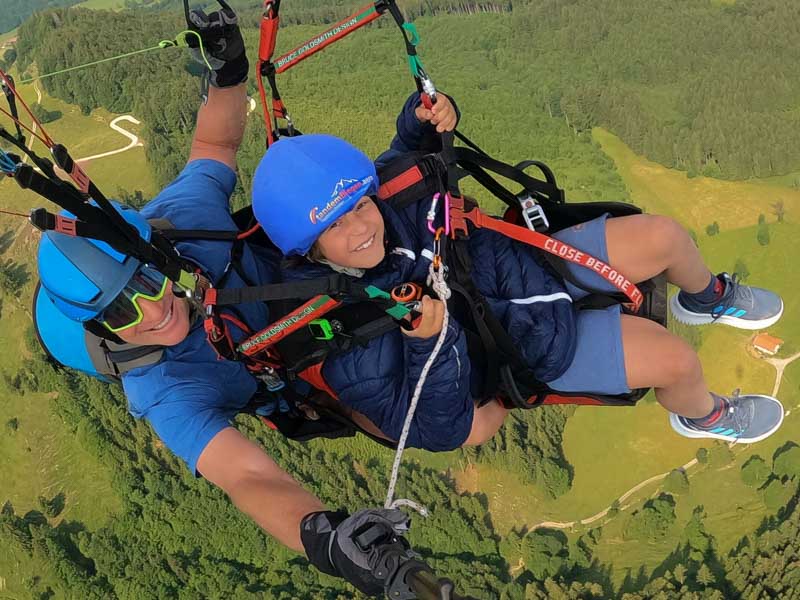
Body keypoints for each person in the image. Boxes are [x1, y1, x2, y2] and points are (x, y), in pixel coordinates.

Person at [34, 5, 422, 597]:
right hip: (301, 366)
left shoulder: (184, 220)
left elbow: (213, 144)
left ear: (159, 254)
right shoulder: (165, 390)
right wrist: (328, 540)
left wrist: (228, 71)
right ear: (103, 331)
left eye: (148, 281)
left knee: (410, 182)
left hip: (312, 264)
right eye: (121, 314)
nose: (154, 310)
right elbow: (245, 476)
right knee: (422, 422)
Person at [252, 91, 786, 451]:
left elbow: (407, 154)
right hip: (534, 345)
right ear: (308, 248)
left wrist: (424, 116)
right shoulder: (344, 340)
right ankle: (706, 415)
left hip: (529, 260)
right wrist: (427, 341)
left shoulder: (388, 198)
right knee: (676, 361)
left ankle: (706, 297)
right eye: (337, 226)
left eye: (361, 205)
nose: (363, 227)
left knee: (665, 235)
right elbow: (434, 427)